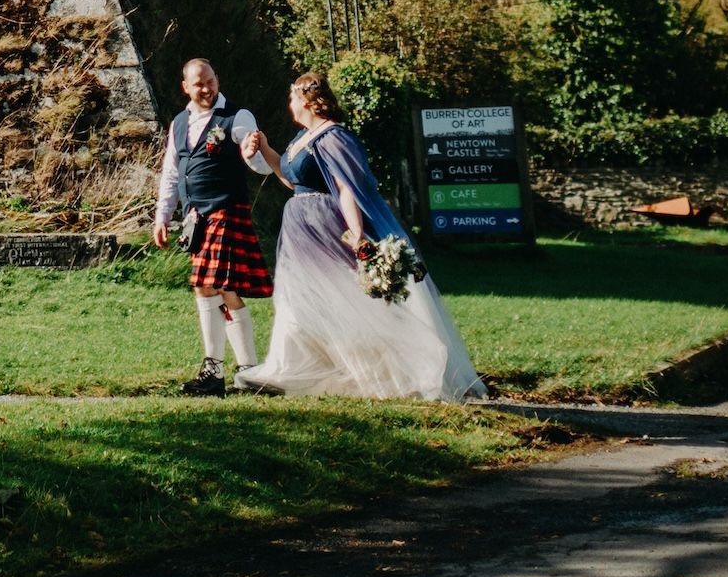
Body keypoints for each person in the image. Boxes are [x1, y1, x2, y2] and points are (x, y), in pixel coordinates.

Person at [235, 71, 486, 402]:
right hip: (300, 229)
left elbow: (347, 187)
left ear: (308, 100)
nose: (290, 105)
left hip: (327, 227)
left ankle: (403, 367)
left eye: (293, 99)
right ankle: (287, 368)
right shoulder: (302, 139)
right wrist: (265, 148)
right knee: (297, 300)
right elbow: (292, 179)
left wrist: (355, 233)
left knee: (344, 299)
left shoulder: (333, 137)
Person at [153, 54, 276, 395]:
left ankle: (244, 371)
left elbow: (261, 167)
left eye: (210, 82)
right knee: (209, 287)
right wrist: (163, 216)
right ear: (185, 87)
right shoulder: (179, 123)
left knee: (217, 285)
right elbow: (171, 173)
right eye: (198, 84)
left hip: (225, 210)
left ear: (217, 80)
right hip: (195, 218)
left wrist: (253, 151)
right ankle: (225, 372)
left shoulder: (238, 116)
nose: (205, 89)